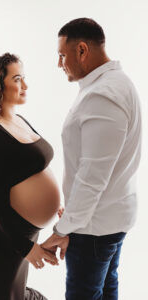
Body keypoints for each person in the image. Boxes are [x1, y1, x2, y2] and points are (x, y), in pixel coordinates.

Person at [41, 18, 142, 300]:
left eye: (62, 55)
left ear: (82, 50)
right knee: (106, 289)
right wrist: (72, 215)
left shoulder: (104, 95)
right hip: (102, 223)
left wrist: (64, 228)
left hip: (94, 231)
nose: (59, 64)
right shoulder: (113, 85)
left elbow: (92, 177)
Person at [0, 52, 61, 300]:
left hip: (25, 230)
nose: (25, 85)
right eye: (18, 79)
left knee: (14, 292)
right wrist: (25, 246)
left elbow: (29, 172)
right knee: (2, 294)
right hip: (3, 232)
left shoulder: (20, 120)